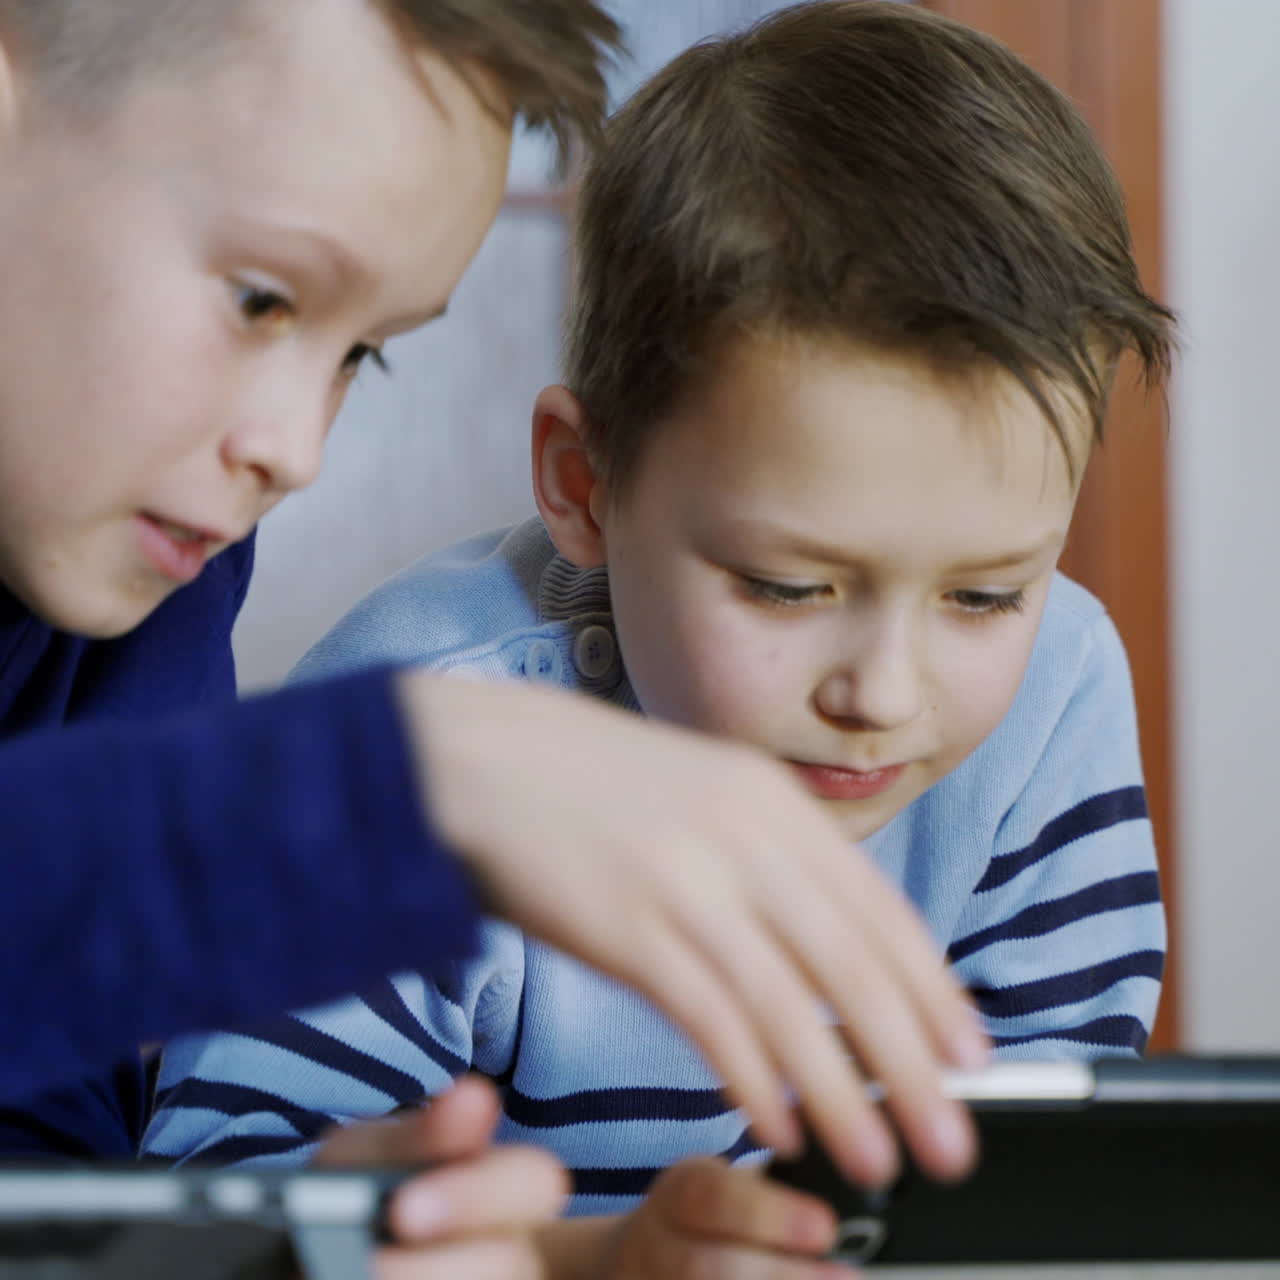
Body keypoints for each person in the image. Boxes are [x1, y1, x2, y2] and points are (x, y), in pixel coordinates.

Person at [144, 1, 1176, 1275]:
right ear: (583, 486)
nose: (883, 691)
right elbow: (216, 1196)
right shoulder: (425, 735)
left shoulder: (1054, 686)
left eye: (983, 594)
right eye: (787, 586)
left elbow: (1047, 1170)